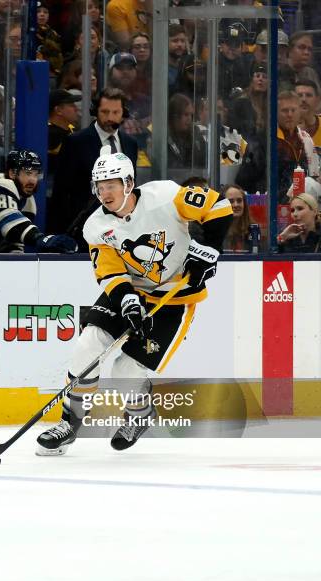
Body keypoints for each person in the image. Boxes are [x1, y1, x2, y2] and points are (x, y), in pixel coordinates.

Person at [35, 151, 233, 456]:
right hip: (129, 291)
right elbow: (111, 273)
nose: (105, 192)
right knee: (87, 345)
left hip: (174, 299)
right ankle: (70, 421)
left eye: (112, 184)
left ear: (129, 182)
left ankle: (140, 415)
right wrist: (127, 301)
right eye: (100, 186)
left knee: (127, 370)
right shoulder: (96, 226)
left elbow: (218, 205)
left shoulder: (166, 196)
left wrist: (208, 249)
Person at [48, 87, 138, 245]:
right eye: (105, 112)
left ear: (123, 113)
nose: (110, 117)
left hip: (122, 232)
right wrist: (59, 235)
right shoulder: (76, 142)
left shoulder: (131, 144)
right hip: (84, 232)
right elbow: (61, 192)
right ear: (95, 111)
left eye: (115, 112)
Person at [0, 149, 77, 253]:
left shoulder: (28, 201)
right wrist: (42, 239)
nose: (33, 180)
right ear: (12, 173)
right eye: (28, 173)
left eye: (36, 175)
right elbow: (11, 224)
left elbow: (15, 239)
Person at [47, 88, 81, 177]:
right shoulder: (50, 135)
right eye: (71, 105)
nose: (76, 109)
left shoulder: (71, 128)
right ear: (58, 110)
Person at [221, 184, 253, 252]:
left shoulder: (253, 230)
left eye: (239, 200)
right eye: (231, 201)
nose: (236, 205)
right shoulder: (214, 231)